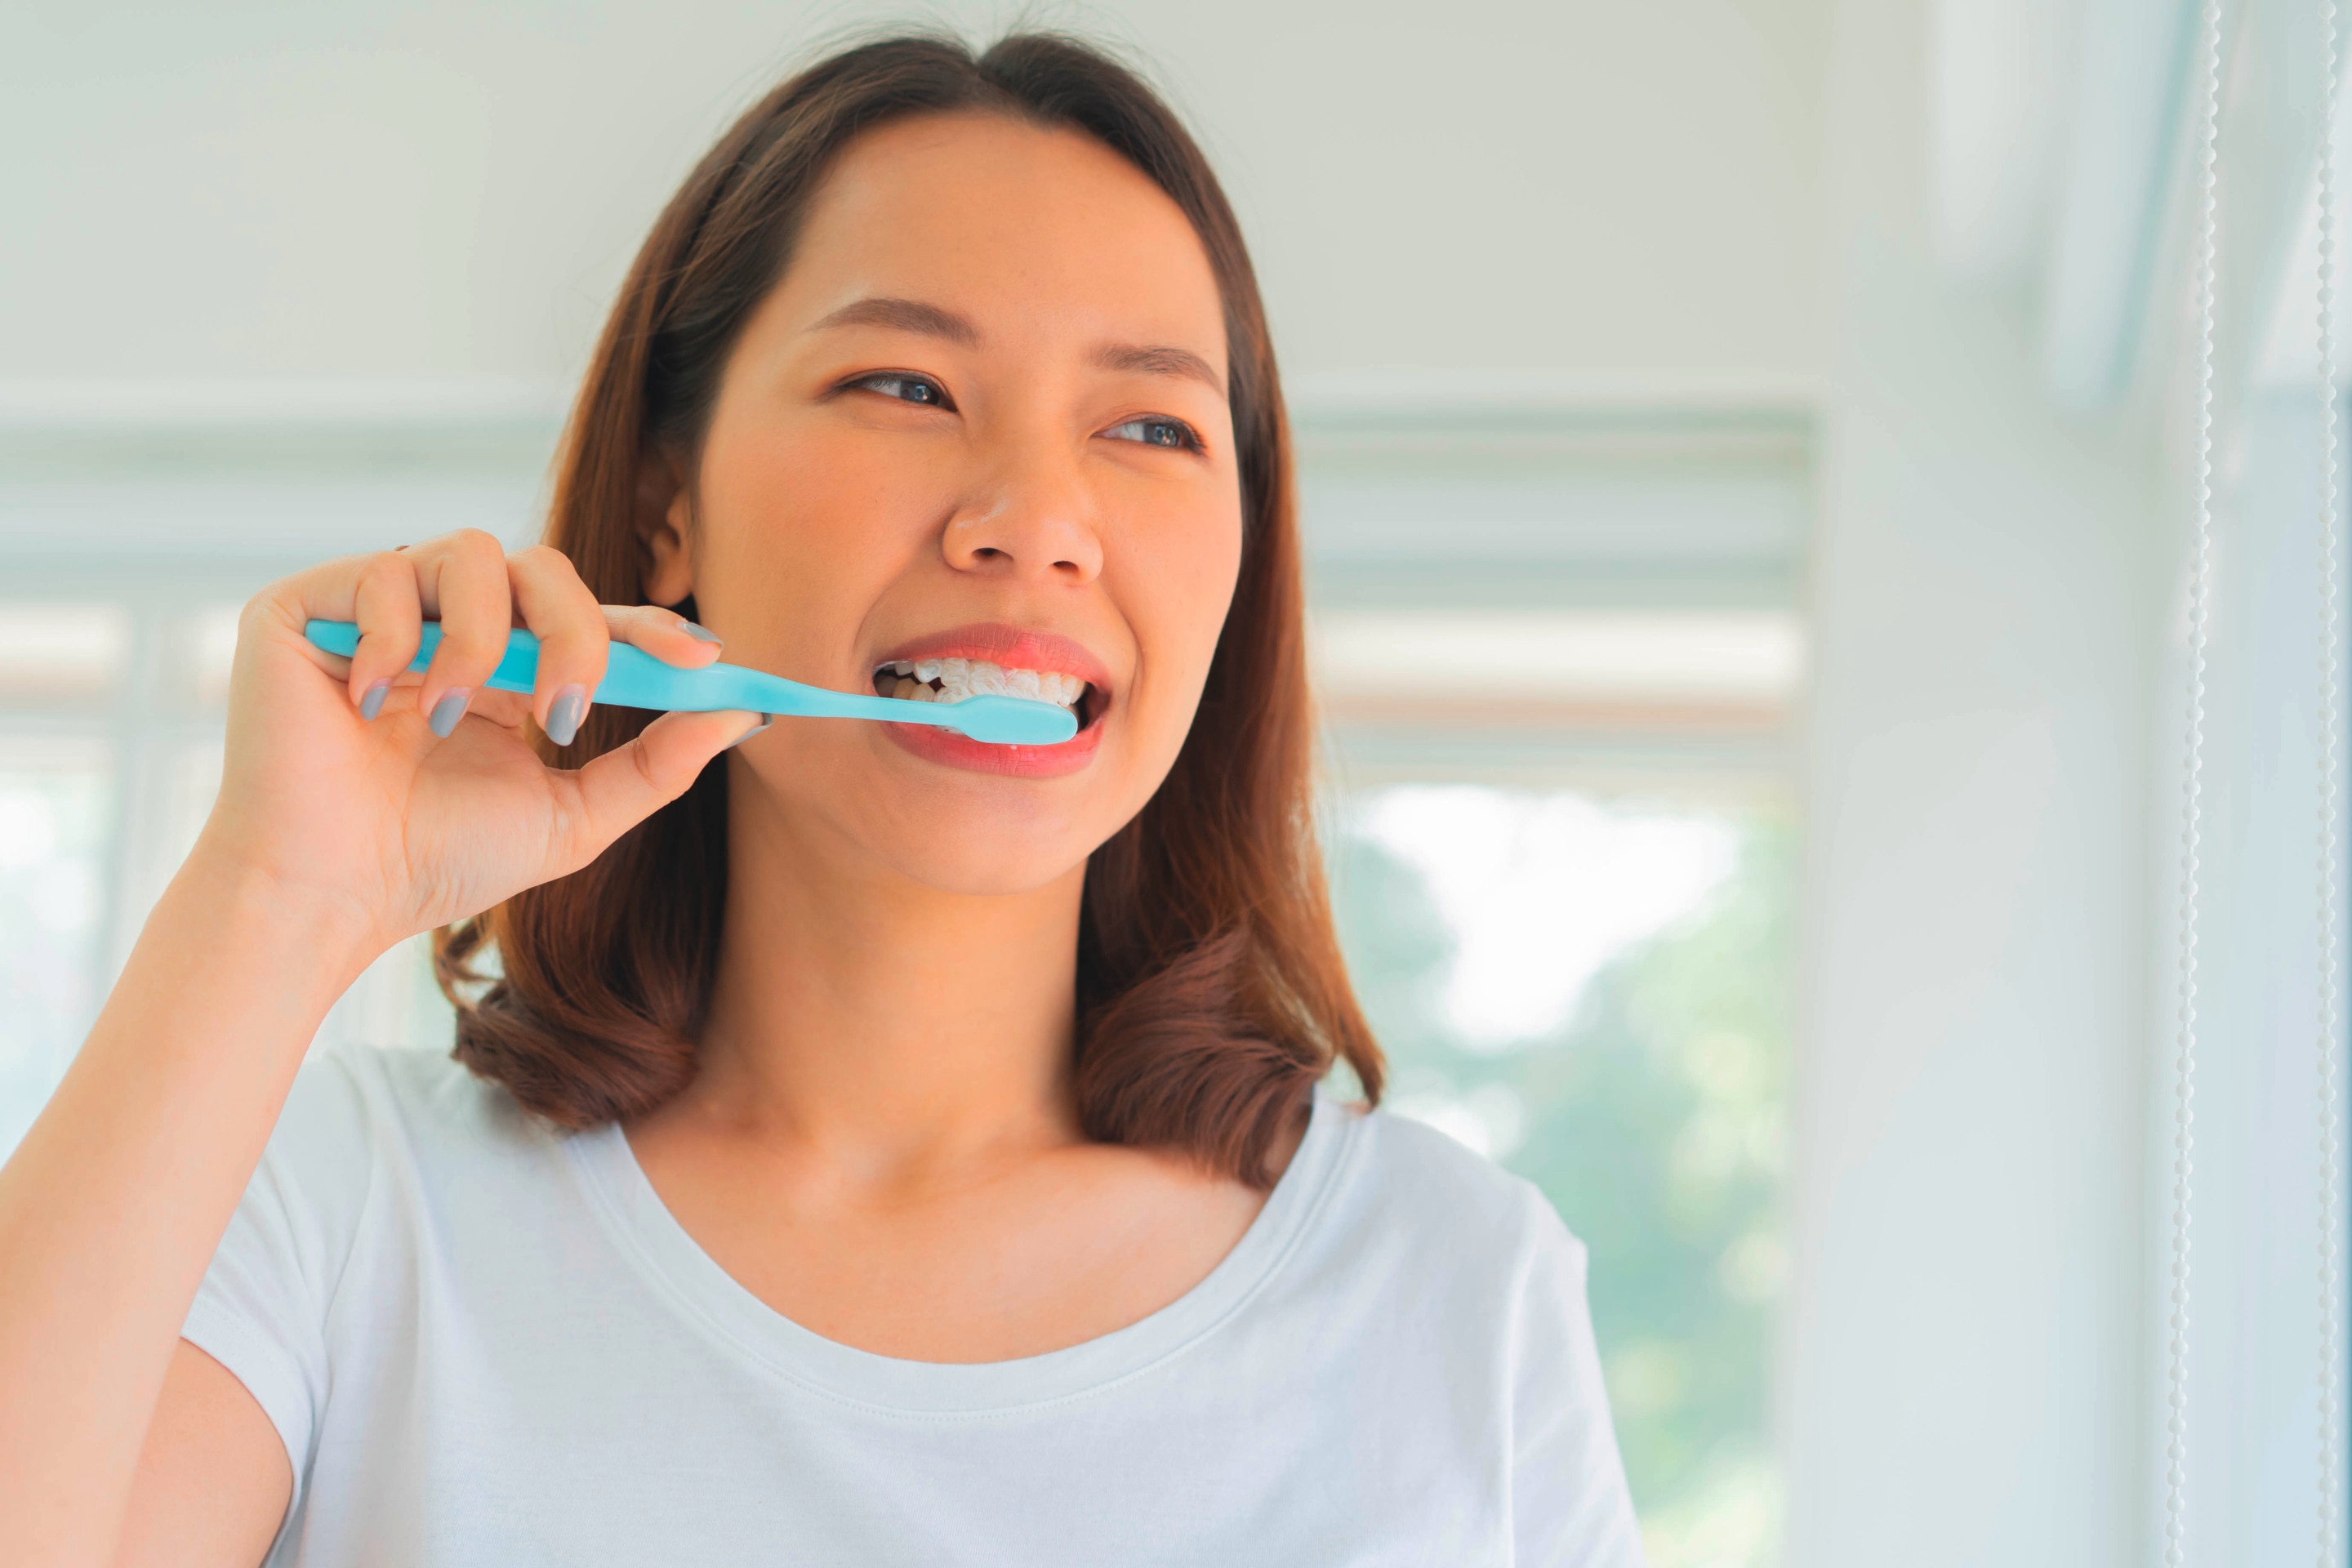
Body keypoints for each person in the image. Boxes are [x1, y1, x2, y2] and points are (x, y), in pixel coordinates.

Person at [0, 32, 1642, 1567]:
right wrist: (278, 893)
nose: (1035, 520)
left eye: (1151, 424)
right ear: (666, 510)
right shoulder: (347, 1216)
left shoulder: (1459, 1294)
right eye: (905, 389)